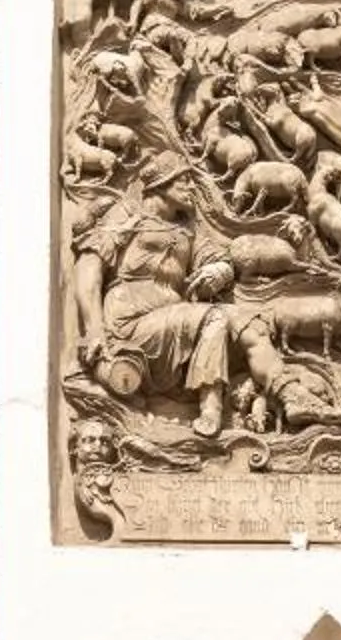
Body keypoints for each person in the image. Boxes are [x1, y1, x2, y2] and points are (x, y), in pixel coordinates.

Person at [72, 153, 234, 440]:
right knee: (214, 318)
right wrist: (94, 330)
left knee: (237, 323)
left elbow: (213, 256)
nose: (191, 187)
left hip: (172, 323)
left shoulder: (186, 228)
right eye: (184, 180)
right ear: (162, 182)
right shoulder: (127, 214)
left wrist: (221, 269)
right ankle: (210, 409)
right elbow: (89, 268)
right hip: (130, 321)